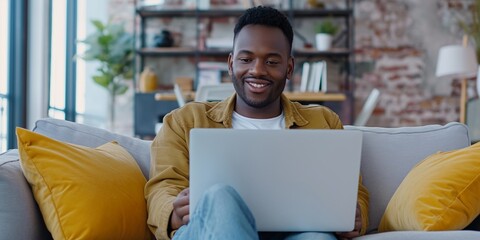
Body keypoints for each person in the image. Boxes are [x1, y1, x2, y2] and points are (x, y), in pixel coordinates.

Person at [145, 6, 369, 240]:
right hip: (211, 229)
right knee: (219, 198)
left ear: (289, 68)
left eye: (272, 62)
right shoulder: (184, 121)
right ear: (231, 63)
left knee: (318, 237)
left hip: (295, 231)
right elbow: (162, 187)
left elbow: (354, 190)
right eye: (246, 59)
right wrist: (174, 210)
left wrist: (355, 214)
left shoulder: (323, 122)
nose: (258, 70)